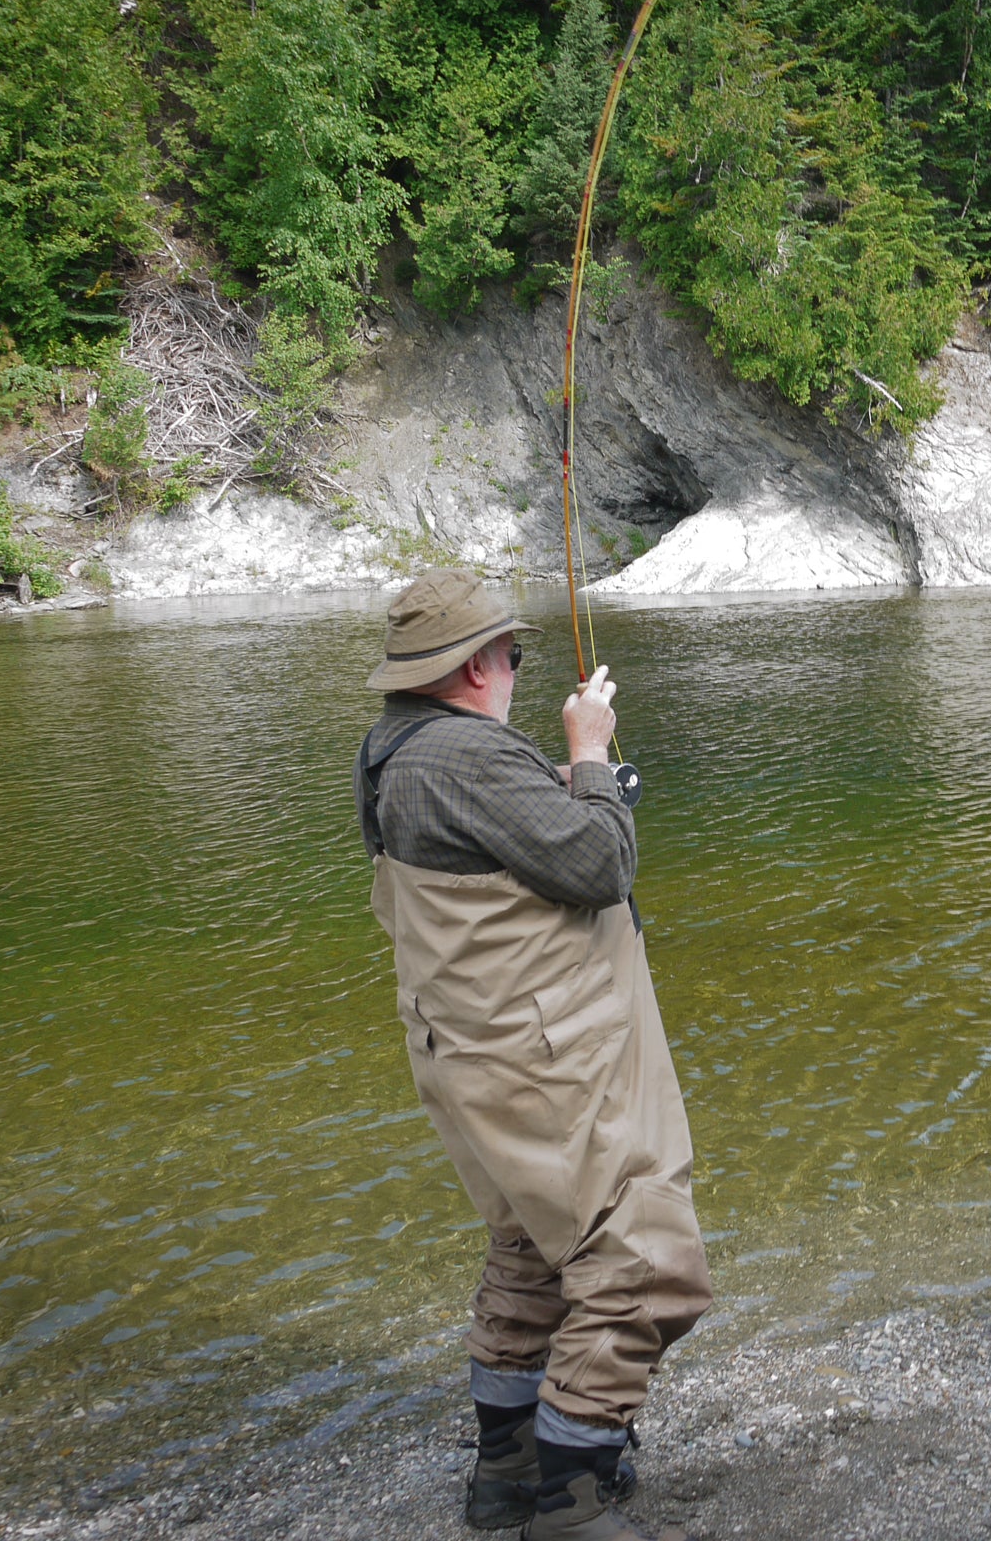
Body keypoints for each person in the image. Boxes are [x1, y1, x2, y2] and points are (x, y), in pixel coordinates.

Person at [356, 568, 710, 1541]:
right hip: (544, 1064)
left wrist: (553, 788)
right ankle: (573, 1497)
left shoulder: (394, 748)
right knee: (645, 1264)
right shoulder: (469, 759)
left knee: (531, 1252)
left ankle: (504, 1479)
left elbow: (483, 843)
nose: (515, 668)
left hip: (467, 1059)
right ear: (477, 667)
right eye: (511, 655)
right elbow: (599, 865)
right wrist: (589, 757)